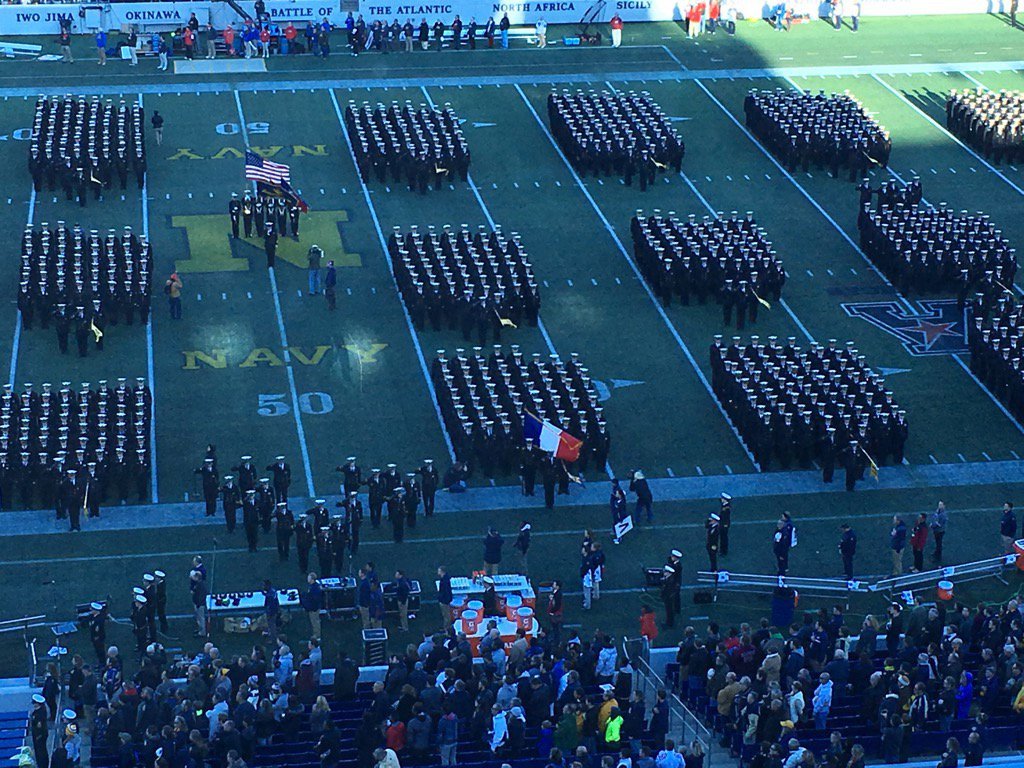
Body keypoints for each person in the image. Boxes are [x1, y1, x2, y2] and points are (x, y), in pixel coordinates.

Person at [189, 569, 207, 637]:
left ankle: (202, 632)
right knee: (199, 618)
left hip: (199, 604)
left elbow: (201, 596)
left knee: (201, 618)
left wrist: (199, 604)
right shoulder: (199, 584)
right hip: (198, 603)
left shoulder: (200, 586)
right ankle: (200, 629)